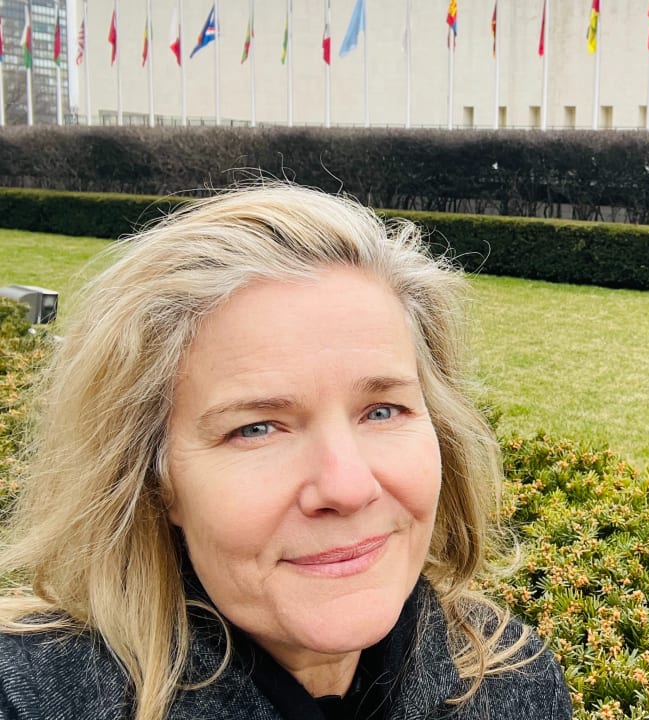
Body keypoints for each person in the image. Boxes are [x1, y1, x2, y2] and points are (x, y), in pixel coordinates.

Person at [0, 185, 573, 720]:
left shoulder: (514, 685)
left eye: (382, 411)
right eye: (256, 429)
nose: (348, 487)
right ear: (154, 477)